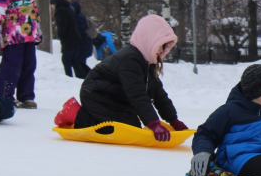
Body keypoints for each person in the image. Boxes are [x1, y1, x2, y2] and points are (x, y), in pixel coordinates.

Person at [53, 15, 188, 142]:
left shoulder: (147, 62)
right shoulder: (131, 60)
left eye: (164, 47)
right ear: (149, 41)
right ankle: (75, 114)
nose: (161, 51)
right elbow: (137, 94)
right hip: (97, 94)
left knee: (133, 126)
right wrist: (153, 123)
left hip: (115, 97)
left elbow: (158, 93)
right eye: (160, 46)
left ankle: (93, 114)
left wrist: (173, 120)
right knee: (113, 130)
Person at [50, 0, 86, 79]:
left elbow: (62, 25)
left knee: (66, 60)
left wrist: (61, 34)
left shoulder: (60, 11)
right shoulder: (68, 9)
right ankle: (83, 77)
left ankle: (69, 78)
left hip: (69, 39)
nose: (52, 7)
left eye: (52, 5)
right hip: (76, 38)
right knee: (73, 60)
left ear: (55, 4)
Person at [70, 1, 93, 76]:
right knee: (80, 62)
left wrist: (73, 30)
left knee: (79, 62)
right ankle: (86, 76)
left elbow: (81, 29)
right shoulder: (80, 15)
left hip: (84, 44)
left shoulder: (78, 17)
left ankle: (85, 76)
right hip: (85, 44)